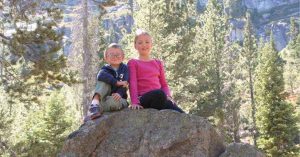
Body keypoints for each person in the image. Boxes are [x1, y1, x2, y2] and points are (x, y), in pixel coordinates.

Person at [128, 29, 184, 113]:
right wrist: (135, 102)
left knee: (180, 113)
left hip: (160, 97)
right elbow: (133, 83)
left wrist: (168, 95)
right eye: (140, 43)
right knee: (159, 94)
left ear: (151, 44)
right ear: (135, 46)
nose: (144, 45)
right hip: (144, 98)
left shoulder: (158, 63)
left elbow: (164, 84)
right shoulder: (133, 63)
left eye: (147, 42)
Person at [85, 43, 129, 122]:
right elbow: (100, 75)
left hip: (118, 98)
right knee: (103, 81)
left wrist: (119, 93)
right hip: (104, 97)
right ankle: (94, 104)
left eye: (118, 55)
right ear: (106, 58)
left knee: (114, 102)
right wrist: (116, 82)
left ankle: (97, 110)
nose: (115, 57)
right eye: (111, 55)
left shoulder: (125, 69)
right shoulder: (105, 69)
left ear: (123, 57)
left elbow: (125, 84)